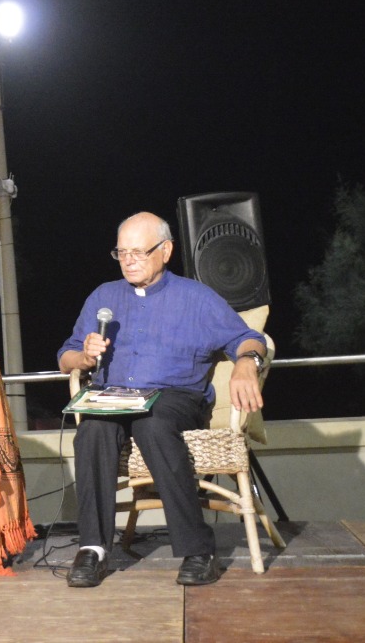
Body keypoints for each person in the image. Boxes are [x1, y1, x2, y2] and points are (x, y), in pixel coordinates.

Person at [58, 212, 268, 589]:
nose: (128, 260)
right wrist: (85, 358)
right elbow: (66, 357)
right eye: (121, 252)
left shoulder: (196, 298)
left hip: (176, 398)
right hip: (115, 398)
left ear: (165, 250)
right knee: (91, 430)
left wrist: (246, 365)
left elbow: (248, 339)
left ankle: (198, 551)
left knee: (152, 423)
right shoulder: (103, 297)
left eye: (138, 251)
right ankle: (92, 549)